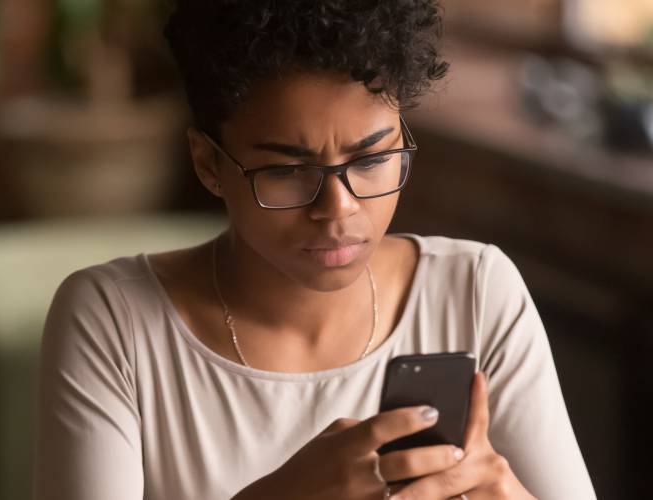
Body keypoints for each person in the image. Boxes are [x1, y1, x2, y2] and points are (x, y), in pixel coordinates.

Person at [33, 0, 596, 498]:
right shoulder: (114, 322)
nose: (338, 209)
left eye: (372, 160)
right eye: (286, 171)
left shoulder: (475, 292)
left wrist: (505, 493)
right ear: (209, 165)